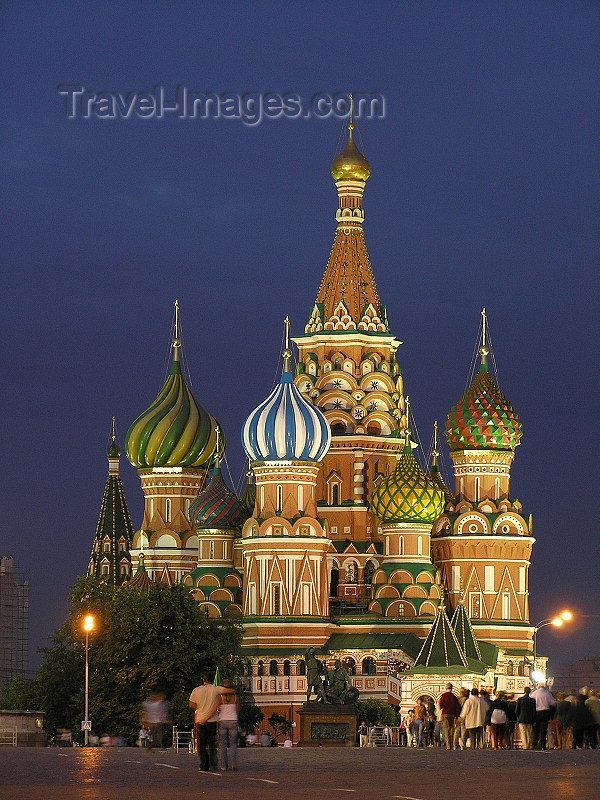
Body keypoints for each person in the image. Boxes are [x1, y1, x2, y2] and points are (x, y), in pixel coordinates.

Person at [189, 672, 234, 772]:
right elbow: (230, 690)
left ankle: (204, 765)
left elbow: (191, 704)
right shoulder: (216, 689)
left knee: (202, 744)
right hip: (213, 720)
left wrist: (200, 706)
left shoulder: (196, 690)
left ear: (203, 680)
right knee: (211, 743)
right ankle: (213, 763)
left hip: (201, 720)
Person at [216, 679, 239, 771]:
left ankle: (223, 766)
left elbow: (216, 708)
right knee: (233, 744)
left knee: (223, 744)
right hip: (233, 720)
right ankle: (233, 763)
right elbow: (238, 709)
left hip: (222, 720)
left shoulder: (219, 697)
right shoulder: (236, 697)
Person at [530, 683, 557, 750]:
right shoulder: (547, 693)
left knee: (536, 730)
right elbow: (553, 703)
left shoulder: (534, 693)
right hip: (545, 712)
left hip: (537, 712)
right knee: (543, 730)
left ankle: (535, 744)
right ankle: (543, 745)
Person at [438, 683, 461, 750]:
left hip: (445, 714)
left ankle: (448, 745)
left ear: (446, 688)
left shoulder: (443, 696)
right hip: (453, 715)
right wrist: (457, 716)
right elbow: (457, 707)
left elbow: (441, 705)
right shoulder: (454, 697)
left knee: (446, 729)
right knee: (452, 729)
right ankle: (452, 744)